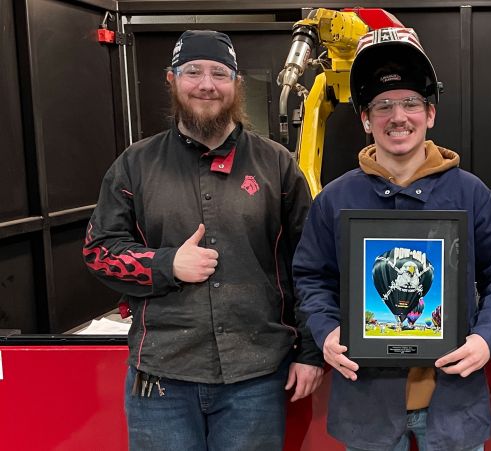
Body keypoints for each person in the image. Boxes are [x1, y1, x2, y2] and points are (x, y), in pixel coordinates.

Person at [83, 30, 323, 450]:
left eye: (219, 73)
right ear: (172, 79)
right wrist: (166, 265)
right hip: (160, 378)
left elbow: (309, 266)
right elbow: (99, 251)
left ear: (237, 84)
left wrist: (309, 353)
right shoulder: (134, 165)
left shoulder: (277, 166)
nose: (207, 84)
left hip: (256, 377)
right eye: (193, 71)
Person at [292, 27, 491, 451]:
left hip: (453, 403)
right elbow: (311, 277)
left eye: (410, 102)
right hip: (368, 406)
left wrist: (485, 339)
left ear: (430, 113)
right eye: (382, 105)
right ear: (365, 119)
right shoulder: (334, 199)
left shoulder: (471, 194)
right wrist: (326, 332)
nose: (398, 116)